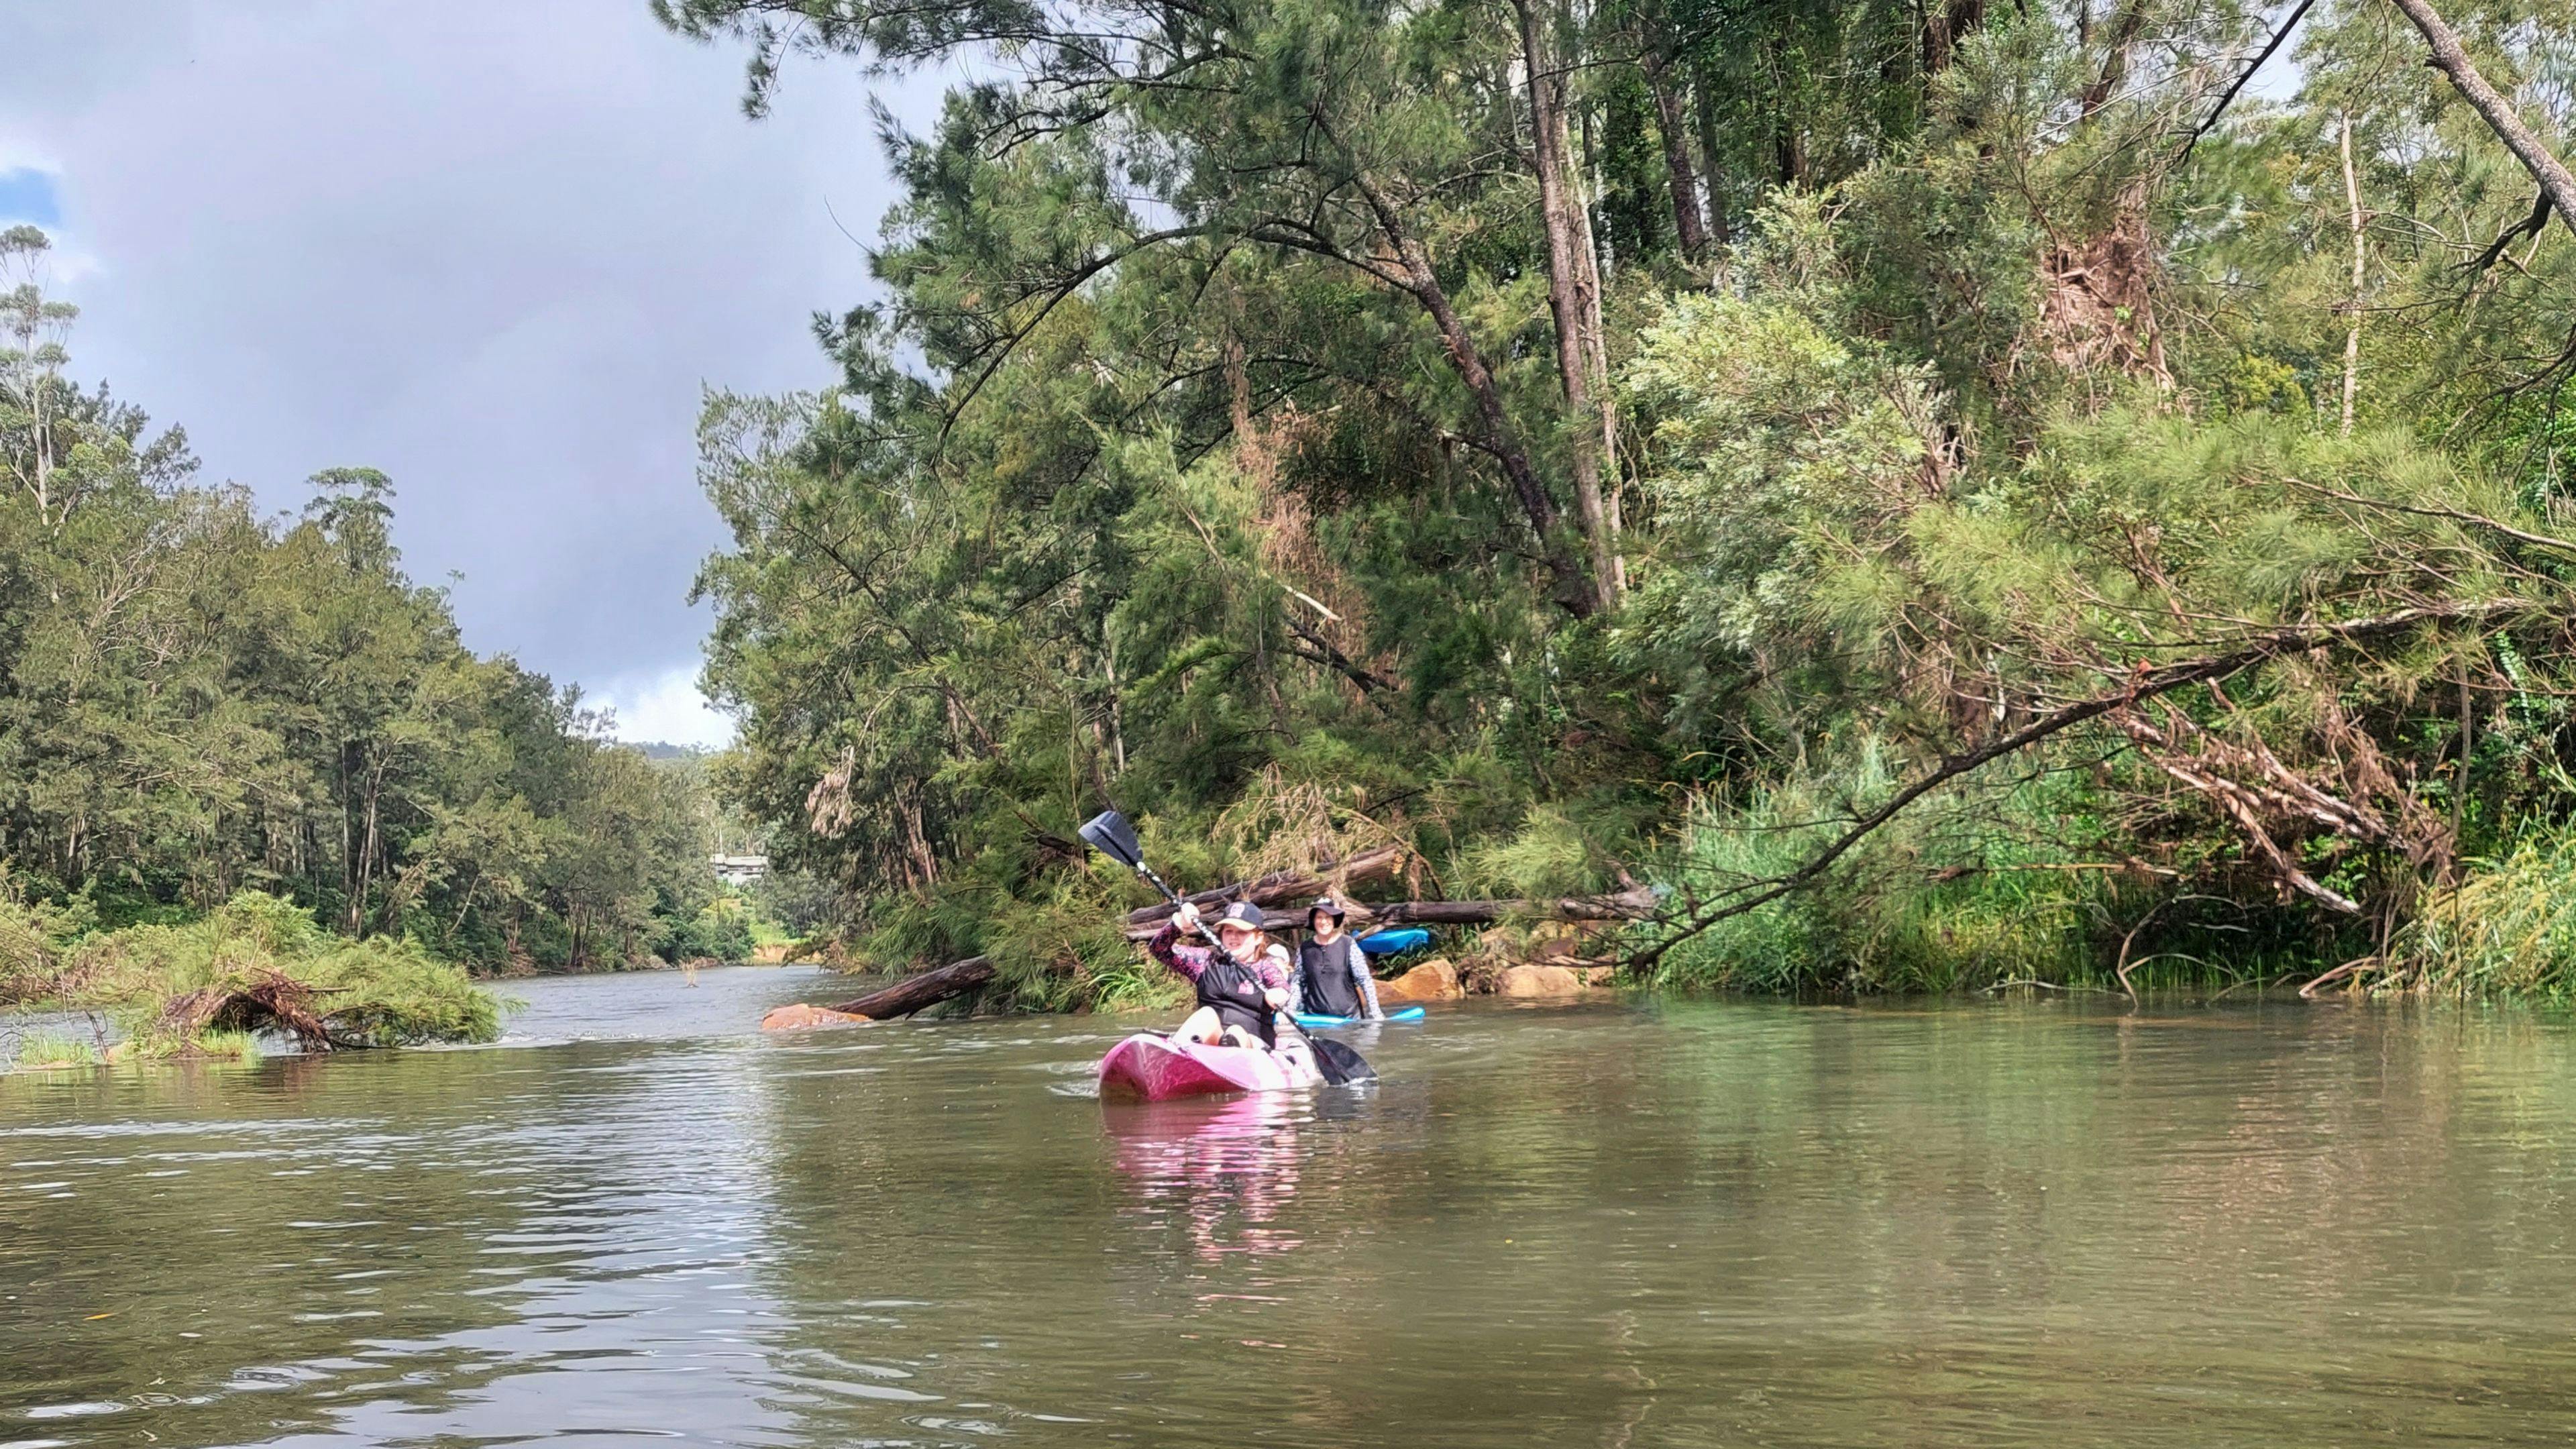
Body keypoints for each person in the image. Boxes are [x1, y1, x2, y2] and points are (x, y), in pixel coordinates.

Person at [1148, 900, 1293, 1048]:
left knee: (1236, 1032)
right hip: (1211, 1041)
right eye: (1228, 931)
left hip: (1253, 1044)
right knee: (1207, 1014)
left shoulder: (1265, 967)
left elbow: (1281, 986)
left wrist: (1278, 994)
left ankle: (1231, 1048)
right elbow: (1159, 949)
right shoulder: (1205, 962)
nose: (1233, 937)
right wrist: (1178, 925)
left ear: (1258, 937)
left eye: (1241, 932)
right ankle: (1176, 1051)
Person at [1291, 897, 1385, 1020]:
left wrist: (1375, 1011)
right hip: (1315, 1020)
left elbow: (1365, 980)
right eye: (1319, 917)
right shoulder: (1305, 949)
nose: (1324, 922)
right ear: (1313, 921)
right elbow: (1297, 982)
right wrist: (1290, 1010)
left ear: (1334, 920)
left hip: (1349, 1019)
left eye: (1328, 917)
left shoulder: (1348, 944)